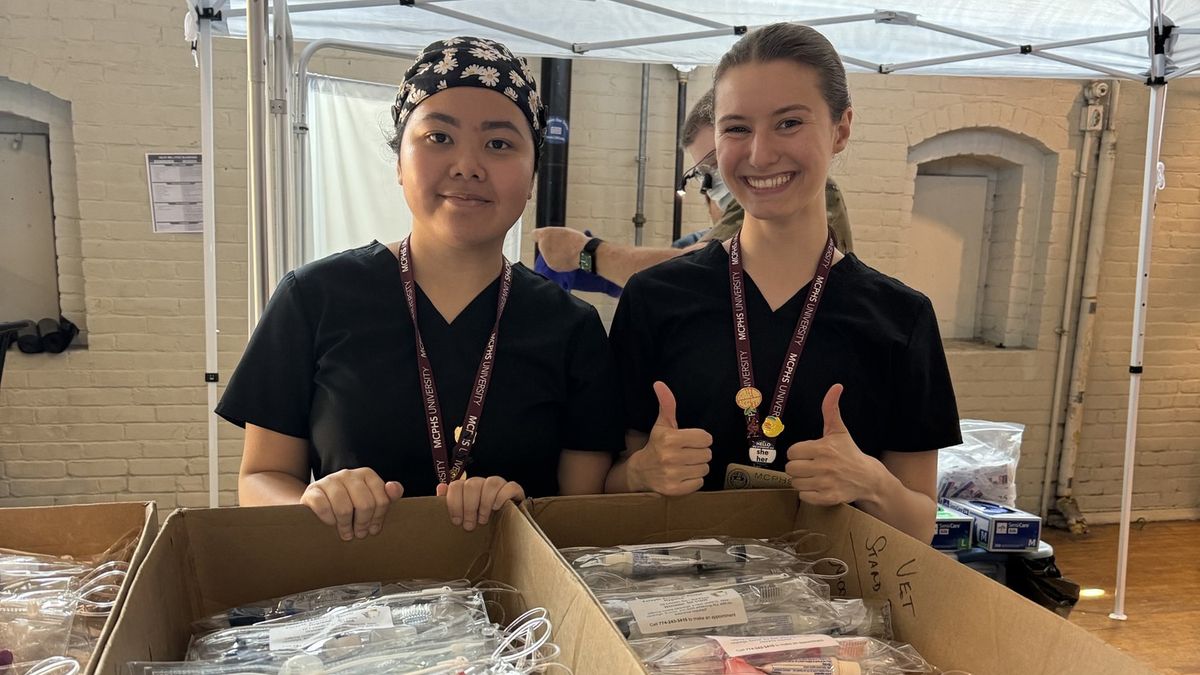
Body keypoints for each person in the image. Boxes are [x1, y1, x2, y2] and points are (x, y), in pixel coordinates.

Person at [216, 36, 625, 541]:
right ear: (398, 162)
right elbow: (259, 478)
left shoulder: (571, 327)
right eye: (439, 138)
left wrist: (525, 510)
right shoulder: (314, 297)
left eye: (499, 144)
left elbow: (582, 511)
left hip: (518, 610)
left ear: (533, 175)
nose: (467, 165)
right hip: (351, 604)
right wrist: (312, 500)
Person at [605, 24, 960, 543]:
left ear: (841, 130)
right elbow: (602, 492)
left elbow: (920, 525)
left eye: (789, 123)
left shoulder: (901, 319)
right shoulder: (655, 300)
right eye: (736, 129)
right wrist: (639, 473)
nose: (760, 154)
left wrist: (871, 483)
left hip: (833, 611)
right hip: (682, 607)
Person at [531, 88, 854, 288]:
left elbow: (694, 275)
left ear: (839, 131)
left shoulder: (800, 192)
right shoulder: (745, 216)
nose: (757, 159)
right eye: (705, 173)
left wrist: (586, 254)